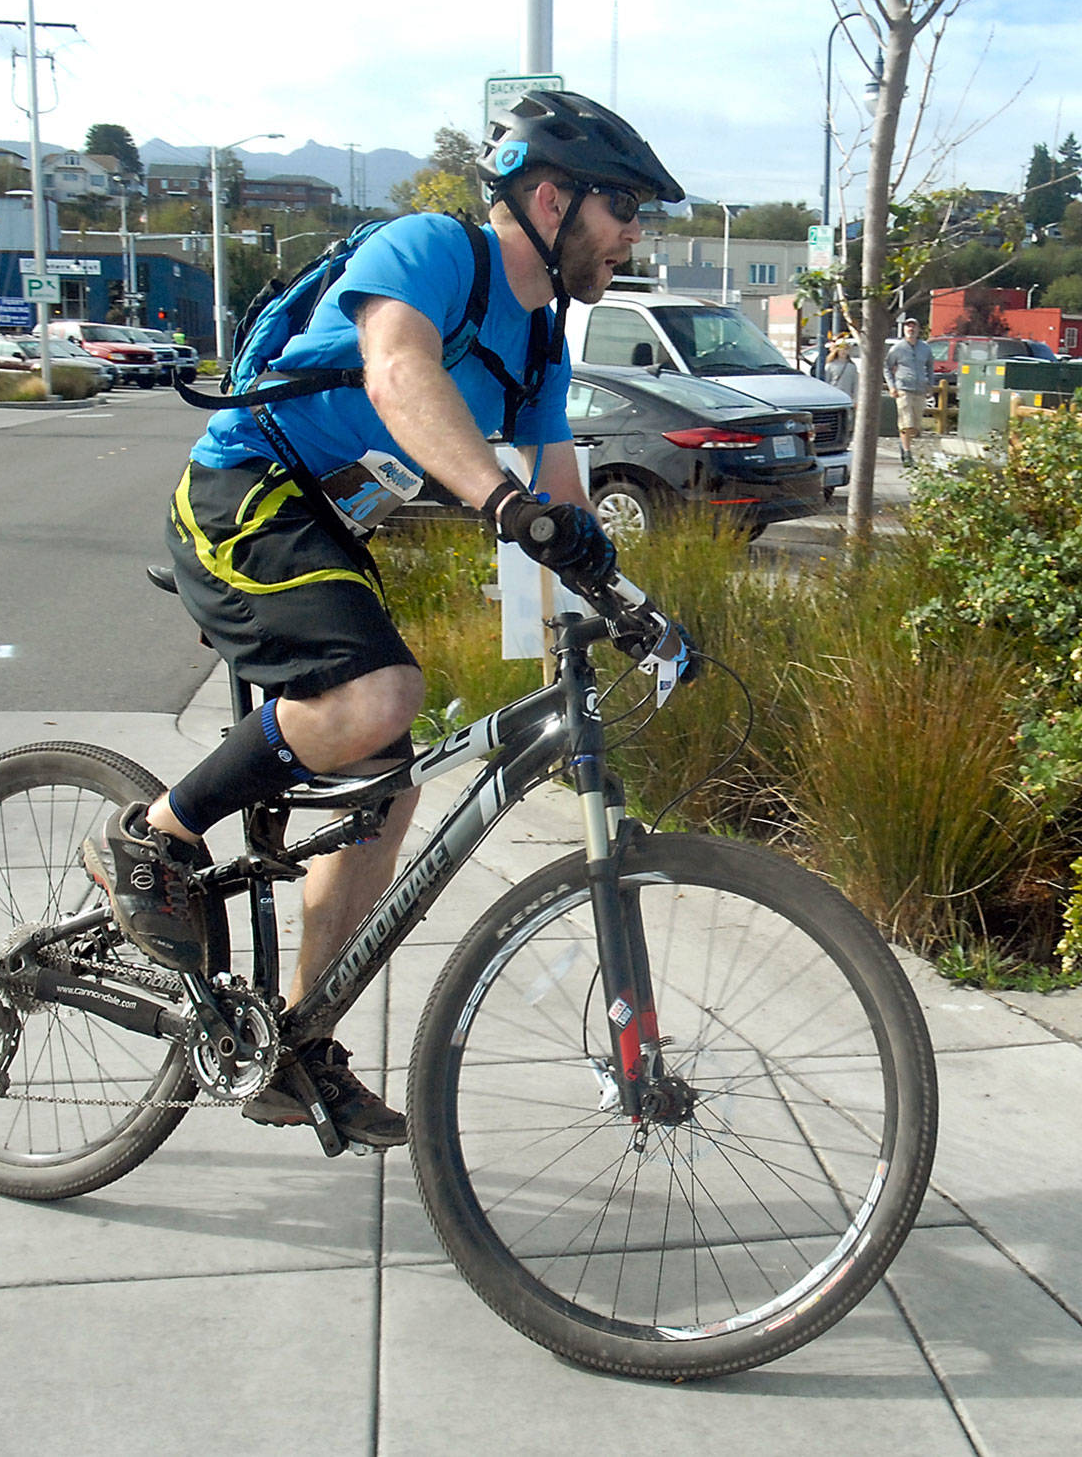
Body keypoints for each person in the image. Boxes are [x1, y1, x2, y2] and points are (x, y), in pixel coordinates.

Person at [82, 91, 684, 1148]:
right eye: (623, 207)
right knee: (378, 694)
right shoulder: (429, 250)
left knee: (387, 778)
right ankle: (152, 836)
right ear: (551, 198)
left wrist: (626, 604)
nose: (633, 233)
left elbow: (557, 485)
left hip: (325, 527)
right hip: (244, 489)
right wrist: (497, 502)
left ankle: (295, 1040)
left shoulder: (540, 335)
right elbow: (397, 369)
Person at [884, 317, 935, 466]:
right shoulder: (897, 348)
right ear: (904, 329)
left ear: (918, 330)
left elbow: (930, 367)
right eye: (908, 327)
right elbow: (887, 366)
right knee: (906, 423)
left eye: (913, 327)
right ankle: (907, 454)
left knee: (915, 426)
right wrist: (892, 386)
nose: (911, 329)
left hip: (919, 389)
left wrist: (930, 385)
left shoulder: (925, 348)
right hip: (903, 389)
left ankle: (903, 444)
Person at [825, 336, 858, 400]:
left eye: (846, 349)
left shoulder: (852, 366)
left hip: (847, 397)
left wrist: (855, 398)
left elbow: (855, 384)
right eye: (841, 350)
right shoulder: (830, 365)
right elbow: (826, 383)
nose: (843, 352)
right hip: (834, 397)